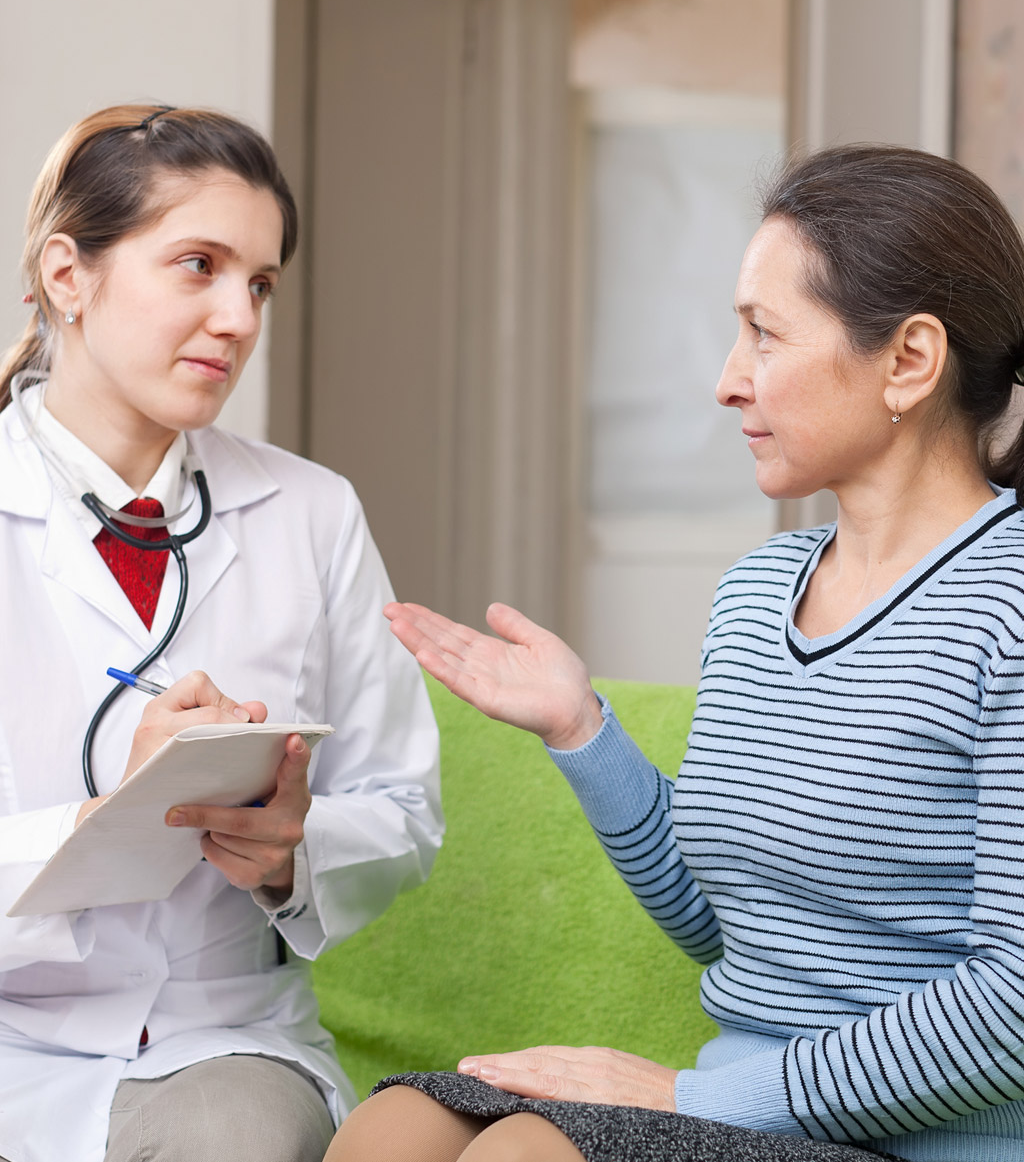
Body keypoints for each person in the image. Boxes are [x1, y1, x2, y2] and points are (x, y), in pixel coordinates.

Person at [323, 143, 1024, 1162]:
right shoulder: (755, 594)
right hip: (738, 1104)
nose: (726, 382)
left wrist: (705, 1091)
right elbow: (722, 920)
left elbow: (1011, 1005)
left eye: (763, 336)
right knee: (391, 1131)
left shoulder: (1006, 606)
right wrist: (580, 727)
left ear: (908, 361)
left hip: (929, 1138)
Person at [0, 104, 443, 1162]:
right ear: (69, 275)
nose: (238, 317)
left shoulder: (312, 509)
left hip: (217, 1041)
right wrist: (99, 821)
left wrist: (291, 850)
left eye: (259, 282)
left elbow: (404, 809)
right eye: (197, 264)